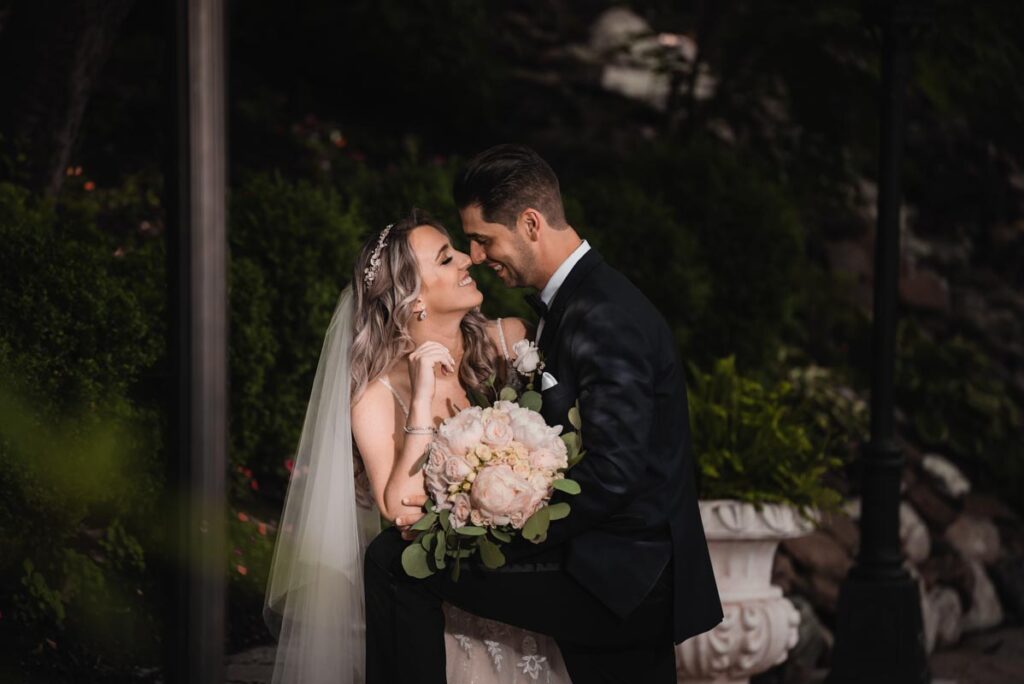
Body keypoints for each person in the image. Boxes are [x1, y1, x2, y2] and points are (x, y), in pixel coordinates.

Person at [363, 145, 724, 683]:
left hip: (621, 574)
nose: (477, 256)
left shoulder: (601, 315)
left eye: (484, 239)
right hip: (614, 560)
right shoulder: (576, 304)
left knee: (394, 564)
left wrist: (491, 528)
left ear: (530, 224)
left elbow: (614, 473)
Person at [263, 208, 572, 683]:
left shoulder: (512, 341)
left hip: (527, 574)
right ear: (414, 301)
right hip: (449, 597)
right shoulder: (375, 392)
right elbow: (397, 506)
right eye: (446, 259)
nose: (468, 261)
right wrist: (423, 398)